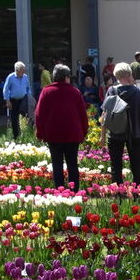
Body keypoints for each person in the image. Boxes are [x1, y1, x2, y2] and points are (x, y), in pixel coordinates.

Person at [34, 64, 88, 192]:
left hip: (53, 134)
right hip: (72, 134)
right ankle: (74, 190)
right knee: (72, 164)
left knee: (57, 164)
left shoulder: (46, 91)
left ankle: (59, 190)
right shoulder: (75, 92)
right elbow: (82, 115)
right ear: (67, 77)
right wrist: (84, 132)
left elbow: (39, 114)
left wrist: (40, 133)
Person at [101, 62, 140, 185]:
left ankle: (118, 194)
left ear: (116, 75)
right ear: (129, 74)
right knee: (136, 166)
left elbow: (105, 115)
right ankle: (138, 194)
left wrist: (103, 136)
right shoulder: (138, 93)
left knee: (116, 167)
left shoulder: (111, 90)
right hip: (135, 134)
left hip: (115, 133)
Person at [2, 62, 31, 140]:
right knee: (14, 119)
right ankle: (16, 136)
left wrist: (29, 96)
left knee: (24, 117)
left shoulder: (25, 77)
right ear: (17, 70)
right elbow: (6, 89)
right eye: (22, 70)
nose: (24, 72)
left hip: (23, 99)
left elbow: (28, 87)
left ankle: (24, 135)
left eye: (24, 70)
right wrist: (7, 101)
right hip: (13, 100)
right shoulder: (10, 77)